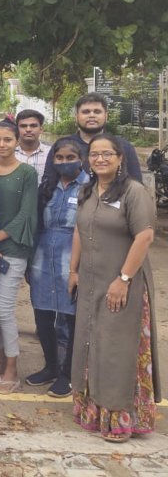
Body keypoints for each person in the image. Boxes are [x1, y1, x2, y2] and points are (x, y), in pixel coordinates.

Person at [71, 134, 161, 442]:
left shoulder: (135, 192)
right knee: (90, 343)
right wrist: (73, 270)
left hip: (123, 285)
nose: (100, 159)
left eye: (107, 154)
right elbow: (80, 231)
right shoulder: (88, 191)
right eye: (94, 154)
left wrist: (123, 279)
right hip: (91, 282)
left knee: (116, 350)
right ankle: (93, 412)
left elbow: (144, 237)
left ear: (120, 158)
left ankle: (123, 419)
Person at [0, 121, 38, 394]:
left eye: (7, 140)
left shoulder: (27, 173)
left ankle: (12, 367)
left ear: (16, 141)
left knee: (3, 309)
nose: (2, 145)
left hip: (13, 248)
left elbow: (25, 215)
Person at [26, 137, 87, 398]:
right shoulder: (47, 186)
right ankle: (50, 365)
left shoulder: (89, 187)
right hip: (42, 256)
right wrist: (29, 261)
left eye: (69, 158)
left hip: (72, 259)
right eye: (59, 158)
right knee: (42, 313)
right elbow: (37, 224)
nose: (64, 162)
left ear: (81, 159)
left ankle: (68, 373)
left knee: (72, 317)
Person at [42, 92, 142, 183]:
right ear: (76, 116)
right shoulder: (62, 145)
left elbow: (136, 185)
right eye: (86, 112)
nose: (91, 115)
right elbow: (48, 182)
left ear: (106, 116)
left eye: (97, 111)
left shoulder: (123, 146)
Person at [15, 109, 51, 182]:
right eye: (23, 126)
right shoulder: (8, 153)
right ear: (16, 129)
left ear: (41, 129)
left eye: (33, 126)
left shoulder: (51, 153)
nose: (28, 129)